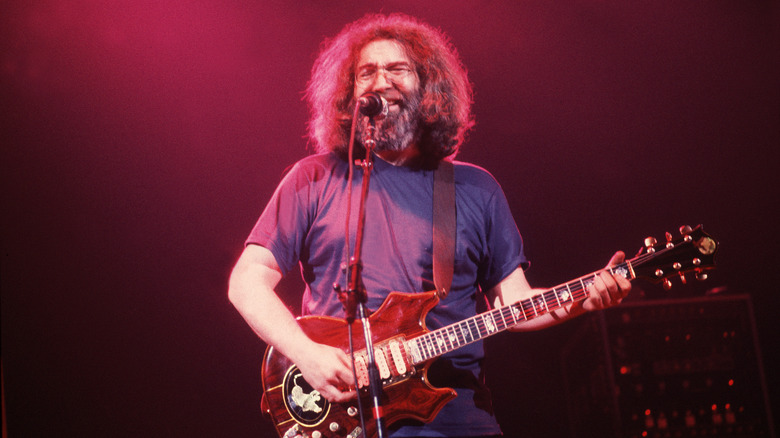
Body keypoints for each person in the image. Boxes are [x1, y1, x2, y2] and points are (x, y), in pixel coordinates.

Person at [228, 13, 631, 438]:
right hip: (345, 414)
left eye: (397, 69)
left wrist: (585, 298)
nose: (380, 81)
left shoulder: (473, 189)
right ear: (350, 93)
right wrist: (306, 354)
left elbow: (515, 304)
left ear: (429, 86)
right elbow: (246, 281)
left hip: (456, 419)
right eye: (367, 72)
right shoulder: (313, 178)